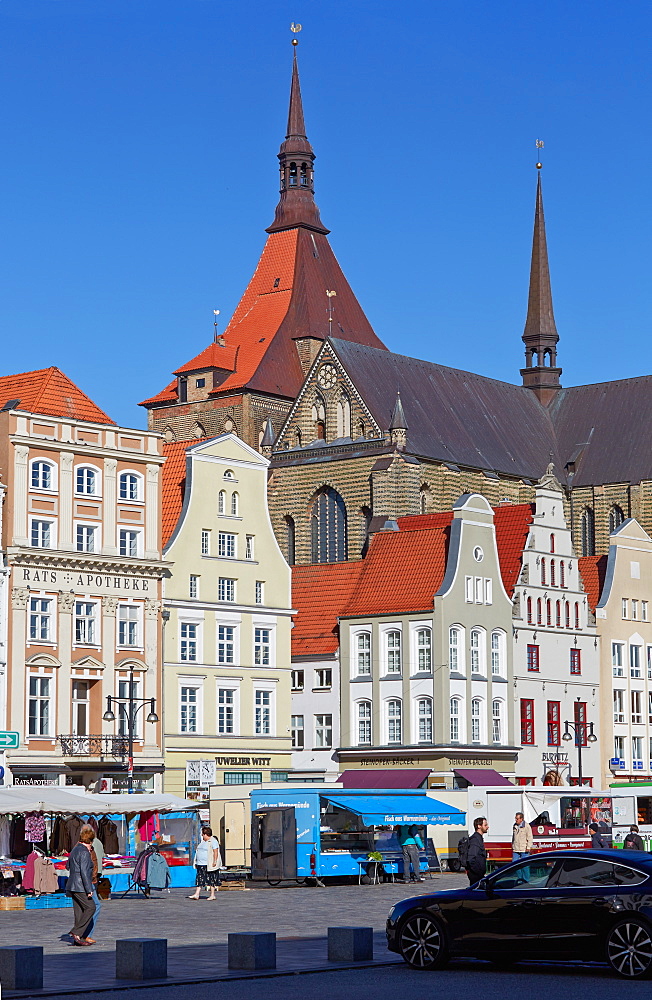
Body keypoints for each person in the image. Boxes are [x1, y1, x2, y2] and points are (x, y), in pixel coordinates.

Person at [66, 826, 96, 945]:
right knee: (91, 907)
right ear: (90, 841)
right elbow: (84, 872)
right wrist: (89, 889)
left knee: (79, 912)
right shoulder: (84, 852)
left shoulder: (75, 849)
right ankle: (76, 932)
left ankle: (79, 938)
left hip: (72, 884)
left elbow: (67, 866)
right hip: (80, 886)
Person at [188, 826, 221, 900]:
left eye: (203, 834)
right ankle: (197, 894)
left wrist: (214, 861)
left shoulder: (213, 841)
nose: (202, 836)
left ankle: (212, 895)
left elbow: (215, 852)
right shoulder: (203, 842)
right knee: (199, 878)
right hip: (200, 863)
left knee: (211, 879)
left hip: (208, 864)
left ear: (206, 834)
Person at [466, 817, 489, 884]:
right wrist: (478, 873)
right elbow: (471, 858)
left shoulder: (479, 839)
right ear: (479, 826)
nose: (487, 827)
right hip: (476, 876)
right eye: (485, 825)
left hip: (479, 875)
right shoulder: (475, 840)